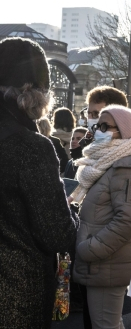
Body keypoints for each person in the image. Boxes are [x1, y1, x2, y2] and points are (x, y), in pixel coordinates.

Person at [0, 37, 80, 328]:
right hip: (15, 295)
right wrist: (70, 211)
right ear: (33, 92)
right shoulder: (31, 147)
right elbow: (56, 234)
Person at [72, 105, 131, 328]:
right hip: (101, 263)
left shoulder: (126, 168)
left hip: (105, 262)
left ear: (123, 131)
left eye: (104, 126)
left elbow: (127, 221)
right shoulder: (107, 163)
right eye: (97, 125)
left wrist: (89, 249)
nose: (98, 130)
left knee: (105, 325)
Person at [70, 86, 128, 161]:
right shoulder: (79, 153)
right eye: (88, 113)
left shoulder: (127, 161)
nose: (90, 118)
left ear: (117, 116)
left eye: (96, 114)